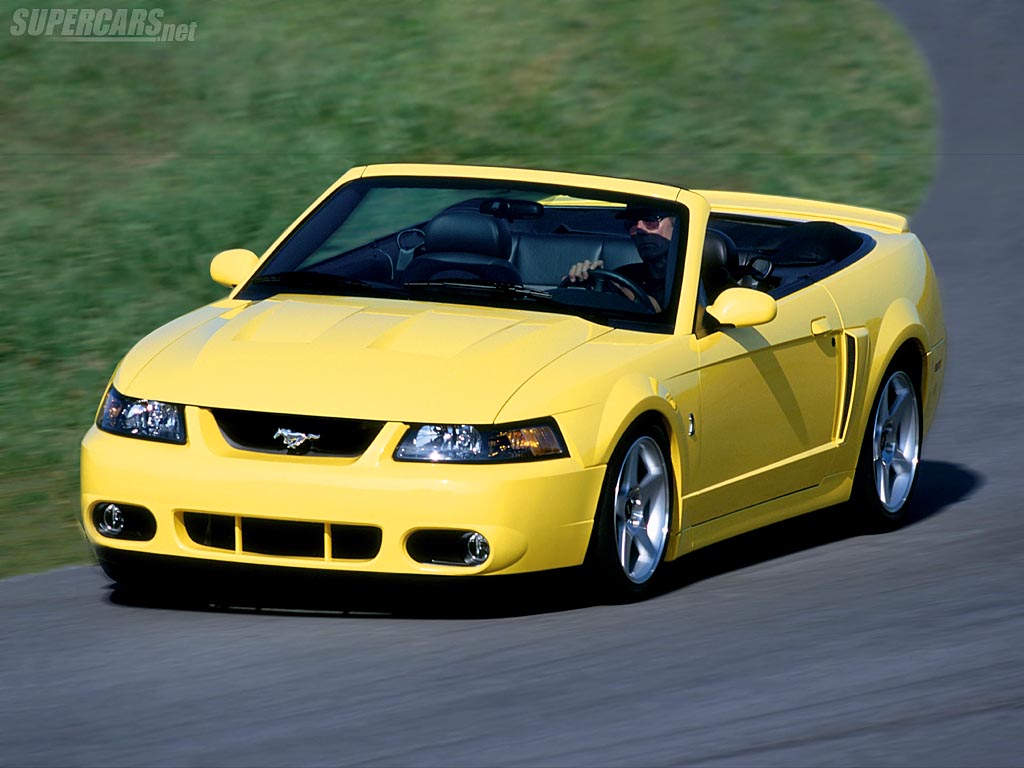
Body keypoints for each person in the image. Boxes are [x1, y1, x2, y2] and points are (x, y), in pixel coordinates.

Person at [564, 208, 674, 310]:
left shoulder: (688, 280)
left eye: (650, 220)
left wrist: (620, 290)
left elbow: (661, 316)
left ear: (677, 226)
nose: (639, 229)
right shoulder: (623, 275)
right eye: (632, 224)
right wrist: (581, 282)